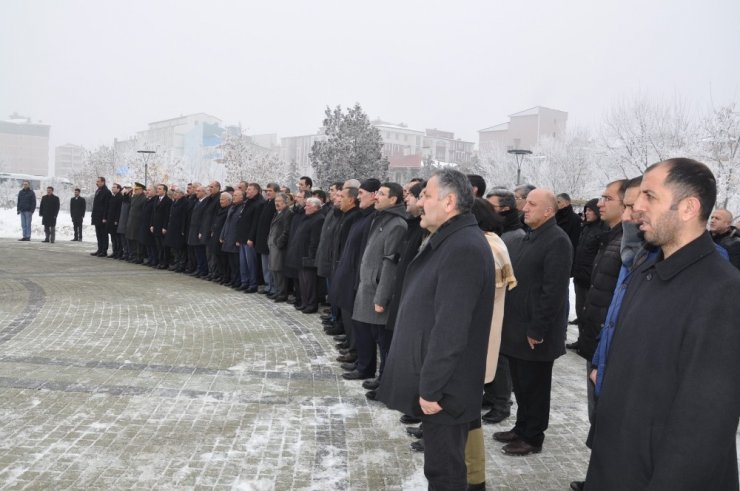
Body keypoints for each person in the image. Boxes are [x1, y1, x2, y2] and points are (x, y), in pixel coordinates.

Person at [585, 158, 740, 490]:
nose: (637, 208)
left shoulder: (723, 291)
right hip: (615, 463)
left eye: (649, 197)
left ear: (688, 208)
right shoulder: (645, 271)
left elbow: (706, 424)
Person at [377, 169, 494, 489]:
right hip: (444, 382)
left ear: (450, 201)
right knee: (447, 467)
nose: (419, 201)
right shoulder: (452, 239)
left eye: (426, 195)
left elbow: (451, 328)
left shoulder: (463, 247)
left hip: (447, 387)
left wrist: (431, 387)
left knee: (445, 472)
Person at [494, 188, 572, 456]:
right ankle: (521, 427)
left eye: (532, 204)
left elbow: (554, 291)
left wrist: (537, 329)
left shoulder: (557, 241)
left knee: (535, 387)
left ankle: (533, 436)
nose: (524, 207)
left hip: (535, 332)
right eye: (525, 203)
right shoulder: (531, 237)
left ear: (548, 211)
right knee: (522, 383)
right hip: (518, 328)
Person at [577, 180, 626, 422]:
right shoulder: (611, 238)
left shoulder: (628, 244)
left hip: (606, 341)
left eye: (607, 198)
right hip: (596, 337)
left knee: (605, 417)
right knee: (596, 414)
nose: (599, 203)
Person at [350, 182, 407, 382]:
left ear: (393, 199)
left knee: (383, 340)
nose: (376, 197)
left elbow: (391, 264)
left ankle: (385, 380)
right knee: (366, 332)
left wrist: (382, 297)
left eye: (381, 194)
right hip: (367, 287)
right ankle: (366, 370)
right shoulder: (382, 218)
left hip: (378, 291)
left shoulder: (398, 224)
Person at [481, 188, 526, 424]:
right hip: (497, 303)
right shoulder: (500, 232)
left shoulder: (513, 236)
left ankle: (502, 403)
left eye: (492, 206)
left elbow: (512, 275)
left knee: (500, 356)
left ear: (505, 209)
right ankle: (491, 395)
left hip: (505, 304)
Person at [568, 198, 606, 350]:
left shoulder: (601, 230)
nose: (587, 213)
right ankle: (581, 339)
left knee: (588, 313)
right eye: (586, 210)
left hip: (591, 278)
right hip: (580, 277)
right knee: (580, 311)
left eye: (590, 210)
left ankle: (586, 342)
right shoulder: (586, 228)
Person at [294, 197, 325, 313]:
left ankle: (311, 304)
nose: (305, 207)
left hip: (308, 256)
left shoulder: (319, 219)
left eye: (307, 205)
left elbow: (315, 240)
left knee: (310, 283)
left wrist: (310, 257)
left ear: (315, 207)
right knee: (303, 282)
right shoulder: (307, 217)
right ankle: (305, 302)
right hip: (301, 254)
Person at [267, 192, 293, 301]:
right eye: (275, 201)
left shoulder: (287, 213)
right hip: (272, 246)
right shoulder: (277, 213)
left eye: (279, 201)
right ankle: (278, 291)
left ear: (285, 202)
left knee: (279, 270)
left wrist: (279, 242)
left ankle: (282, 293)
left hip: (279, 247)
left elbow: (286, 230)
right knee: (273, 269)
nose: (276, 203)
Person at [556, 192, 582, 258]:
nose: (556, 205)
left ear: (567, 203)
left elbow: (574, 241)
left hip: (565, 255)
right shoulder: (554, 217)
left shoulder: (576, 219)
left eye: (558, 202)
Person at [90, 176, 112, 256]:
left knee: (103, 234)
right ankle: (99, 249)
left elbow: (106, 206)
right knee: (98, 234)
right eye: (97, 181)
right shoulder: (98, 191)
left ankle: (104, 250)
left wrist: (105, 217)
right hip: (97, 217)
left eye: (98, 181)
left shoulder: (106, 192)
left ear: (103, 182)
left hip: (102, 218)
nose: (97, 183)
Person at [125, 183, 146, 263]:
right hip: (131, 222)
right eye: (134, 189)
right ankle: (132, 256)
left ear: (141, 190)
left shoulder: (143, 198)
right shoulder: (134, 197)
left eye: (137, 189)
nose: (135, 191)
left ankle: (139, 257)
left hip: (138, 223)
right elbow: (128, 203)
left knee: (137, 241)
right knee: (131, 240)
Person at [106, 183, 123, 257]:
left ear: (119, 189)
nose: (112, 188)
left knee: (117, 238)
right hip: (110, 220)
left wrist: (116, 220)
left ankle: (119, 252)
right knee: (113, 237)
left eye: (114, 187)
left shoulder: (120, 197)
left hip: (116, 221)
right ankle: (114, 251)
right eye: (112, 187)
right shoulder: (112, 197)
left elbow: (119, 210)